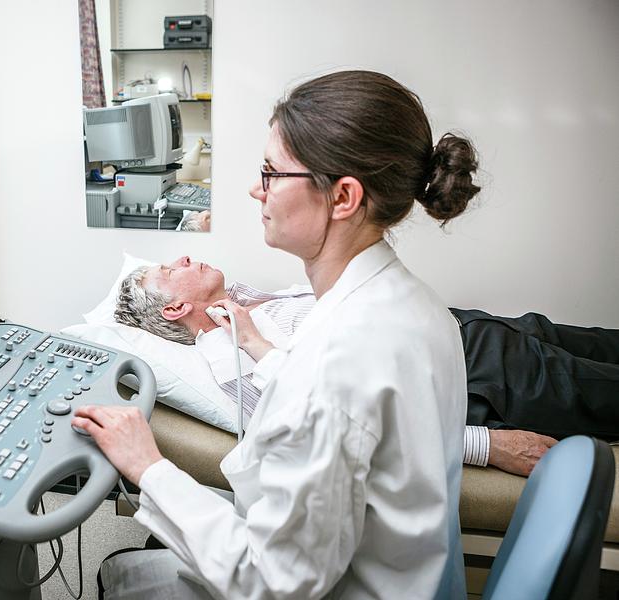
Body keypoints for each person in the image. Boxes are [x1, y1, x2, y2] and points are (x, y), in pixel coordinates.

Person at [72, 70, 480, 598]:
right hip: (405, 574)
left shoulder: (334, 364)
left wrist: (147, 465)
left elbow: (268, 582)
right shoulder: (421, 310)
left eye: (270, 173)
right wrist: (260, 349)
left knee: (121, 577)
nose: (253, 189)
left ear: (343, 197)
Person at [113, 257, 619, 477]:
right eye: (168, 270)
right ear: (175, 311)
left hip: (467, 328)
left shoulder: (244, 299)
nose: (182, 258)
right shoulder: (231, 360)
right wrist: (485, 446)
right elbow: (335, 425)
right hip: (478, 377)